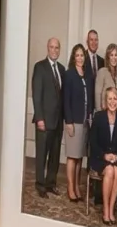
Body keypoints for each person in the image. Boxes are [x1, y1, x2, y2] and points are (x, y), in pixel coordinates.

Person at [31, 37, 66, 194]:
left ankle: (51, 183)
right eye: (52, 47)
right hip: (44, 121)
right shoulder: (40, 67)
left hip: (58, 122)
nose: (54, 50)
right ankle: (40, 184)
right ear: (47, 48)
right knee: (41, 154)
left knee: (54, 155)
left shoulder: (62, 69)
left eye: (57, 47)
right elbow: (36, 95)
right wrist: (39, 118)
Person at [91, 85, 117, 225]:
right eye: (110, 99)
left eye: (115, 99)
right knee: (109, 171)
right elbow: (93, 143)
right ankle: (105, 210)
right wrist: (104, 156)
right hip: (100, 158)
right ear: (105, 101)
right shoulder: (98, 117)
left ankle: (111, 208)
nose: (112, 102)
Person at [63, 44, 91, 200]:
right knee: (72, 156)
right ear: (74, 57)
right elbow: (65, 100)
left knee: (80, 156)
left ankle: (77, 186)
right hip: (73, 121)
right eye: (77, 55)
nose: (80, 58)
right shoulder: (69, 74)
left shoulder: (86, 74)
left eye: (82, 55)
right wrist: (69, 121)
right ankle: (70, 188)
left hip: (85, 120)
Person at [94, 43, 117, 116]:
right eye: (111, 55)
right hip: (104, 114)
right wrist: (99, 115)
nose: (114, 58)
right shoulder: (102, 72)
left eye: (116, 55)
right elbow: (97, 95)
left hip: (116, 114)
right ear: (108, 57)